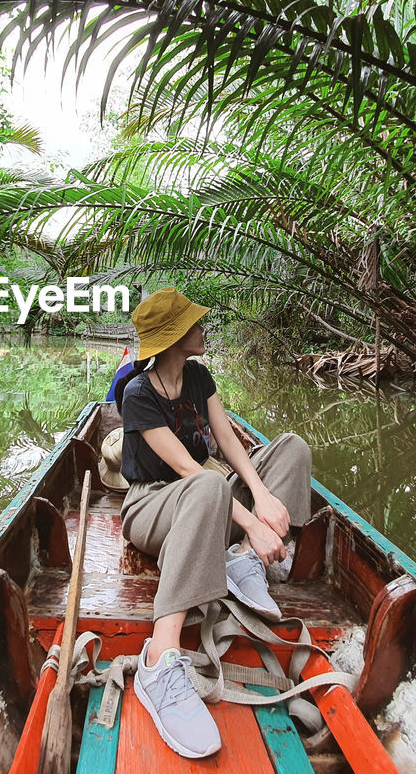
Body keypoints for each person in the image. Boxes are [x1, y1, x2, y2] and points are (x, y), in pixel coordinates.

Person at [114, 287, 313, 759]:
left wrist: (262, 496)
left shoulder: (199, 377)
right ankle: (160, 660)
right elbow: (190, 470)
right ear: (176, 336)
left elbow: (226, 441)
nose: (204, 328)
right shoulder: (137, 395)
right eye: (195, 323)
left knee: (291, 448)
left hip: (209, 496)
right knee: (209, 485)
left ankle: (243, 562)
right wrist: (253, 523)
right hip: (154, 506)